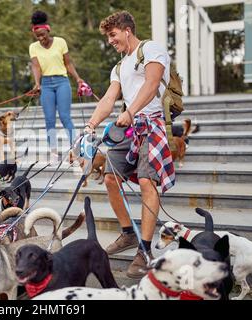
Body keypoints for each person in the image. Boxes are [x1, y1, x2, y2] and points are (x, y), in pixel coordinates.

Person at [84, 11, 175, 279]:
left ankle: (145, 250)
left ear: (126, 30)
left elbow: (152, 83)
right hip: (129, 127)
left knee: (148, 182)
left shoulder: (151, 49)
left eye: (112, 35)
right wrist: (90, 126)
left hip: (153, 123)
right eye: (108, 37)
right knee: (111, 179)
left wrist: (132, 111)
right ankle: (128, 233)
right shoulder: (119, 67)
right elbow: (109, 99)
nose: (111, 41)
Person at [29, 10, 84, 165]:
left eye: (43, 35)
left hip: (62, 82)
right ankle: (54, 152)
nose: (41, 38)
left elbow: (67, 63)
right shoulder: (33, 47)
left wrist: (78, 78)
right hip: (46, 85)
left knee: (65, 116)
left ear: (48, 29)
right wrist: (37, 83)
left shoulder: (60, 42)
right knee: (49, 120)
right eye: (37, 36)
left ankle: (76, 149)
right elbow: (36, 66)